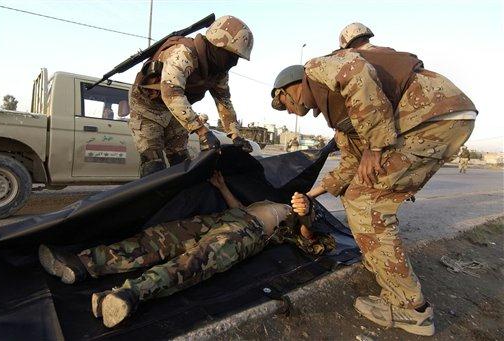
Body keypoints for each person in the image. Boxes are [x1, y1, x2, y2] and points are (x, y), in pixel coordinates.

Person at [270, 31, 477, 335]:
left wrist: (376, 146)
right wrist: (311, 194)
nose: (288, 111)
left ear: (290, 88)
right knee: (357, 193)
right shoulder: (339, 114)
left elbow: (357, 70)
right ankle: (382, 262)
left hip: (431, 114)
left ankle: (410, 308)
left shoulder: (317, 69)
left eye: (283, 104)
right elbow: (352, 165)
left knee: (364, 201)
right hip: (439, 117)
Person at [38, 171, 335, 328]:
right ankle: (83, 264)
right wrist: (221, 188)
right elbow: (241, 208)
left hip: (247, 234)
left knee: (192, 263)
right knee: (157, 238)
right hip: (226, 218)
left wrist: (306, 214)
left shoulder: (297, 217)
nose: (299, 202)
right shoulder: (274, 202)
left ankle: (128, 294)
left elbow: (310, 240)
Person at [129, 15, 254, 177]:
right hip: (148, 105)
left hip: (177, 110)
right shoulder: (183, 53)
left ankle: (183, 201)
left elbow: (223, 100)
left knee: (181, 162)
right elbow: (171, 92)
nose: (234, 62)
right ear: (217, 44)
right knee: (153, 165)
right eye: (231, 56)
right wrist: (202, 131)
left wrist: (235, 134)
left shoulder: (219, 71)